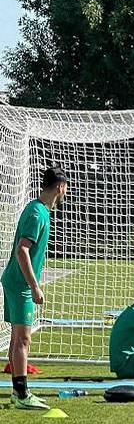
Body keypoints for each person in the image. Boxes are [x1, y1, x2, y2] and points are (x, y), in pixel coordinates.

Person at [2, 166, 68, 409]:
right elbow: (22, 250)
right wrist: (35, 286)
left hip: (15, 281)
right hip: (20, 284)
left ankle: (17, 391)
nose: (65, 193)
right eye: (65, 188)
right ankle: (21, 395)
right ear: (61, 187)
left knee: (17, 338)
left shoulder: (38, 210)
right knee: (23, 339)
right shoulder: (38, 213)